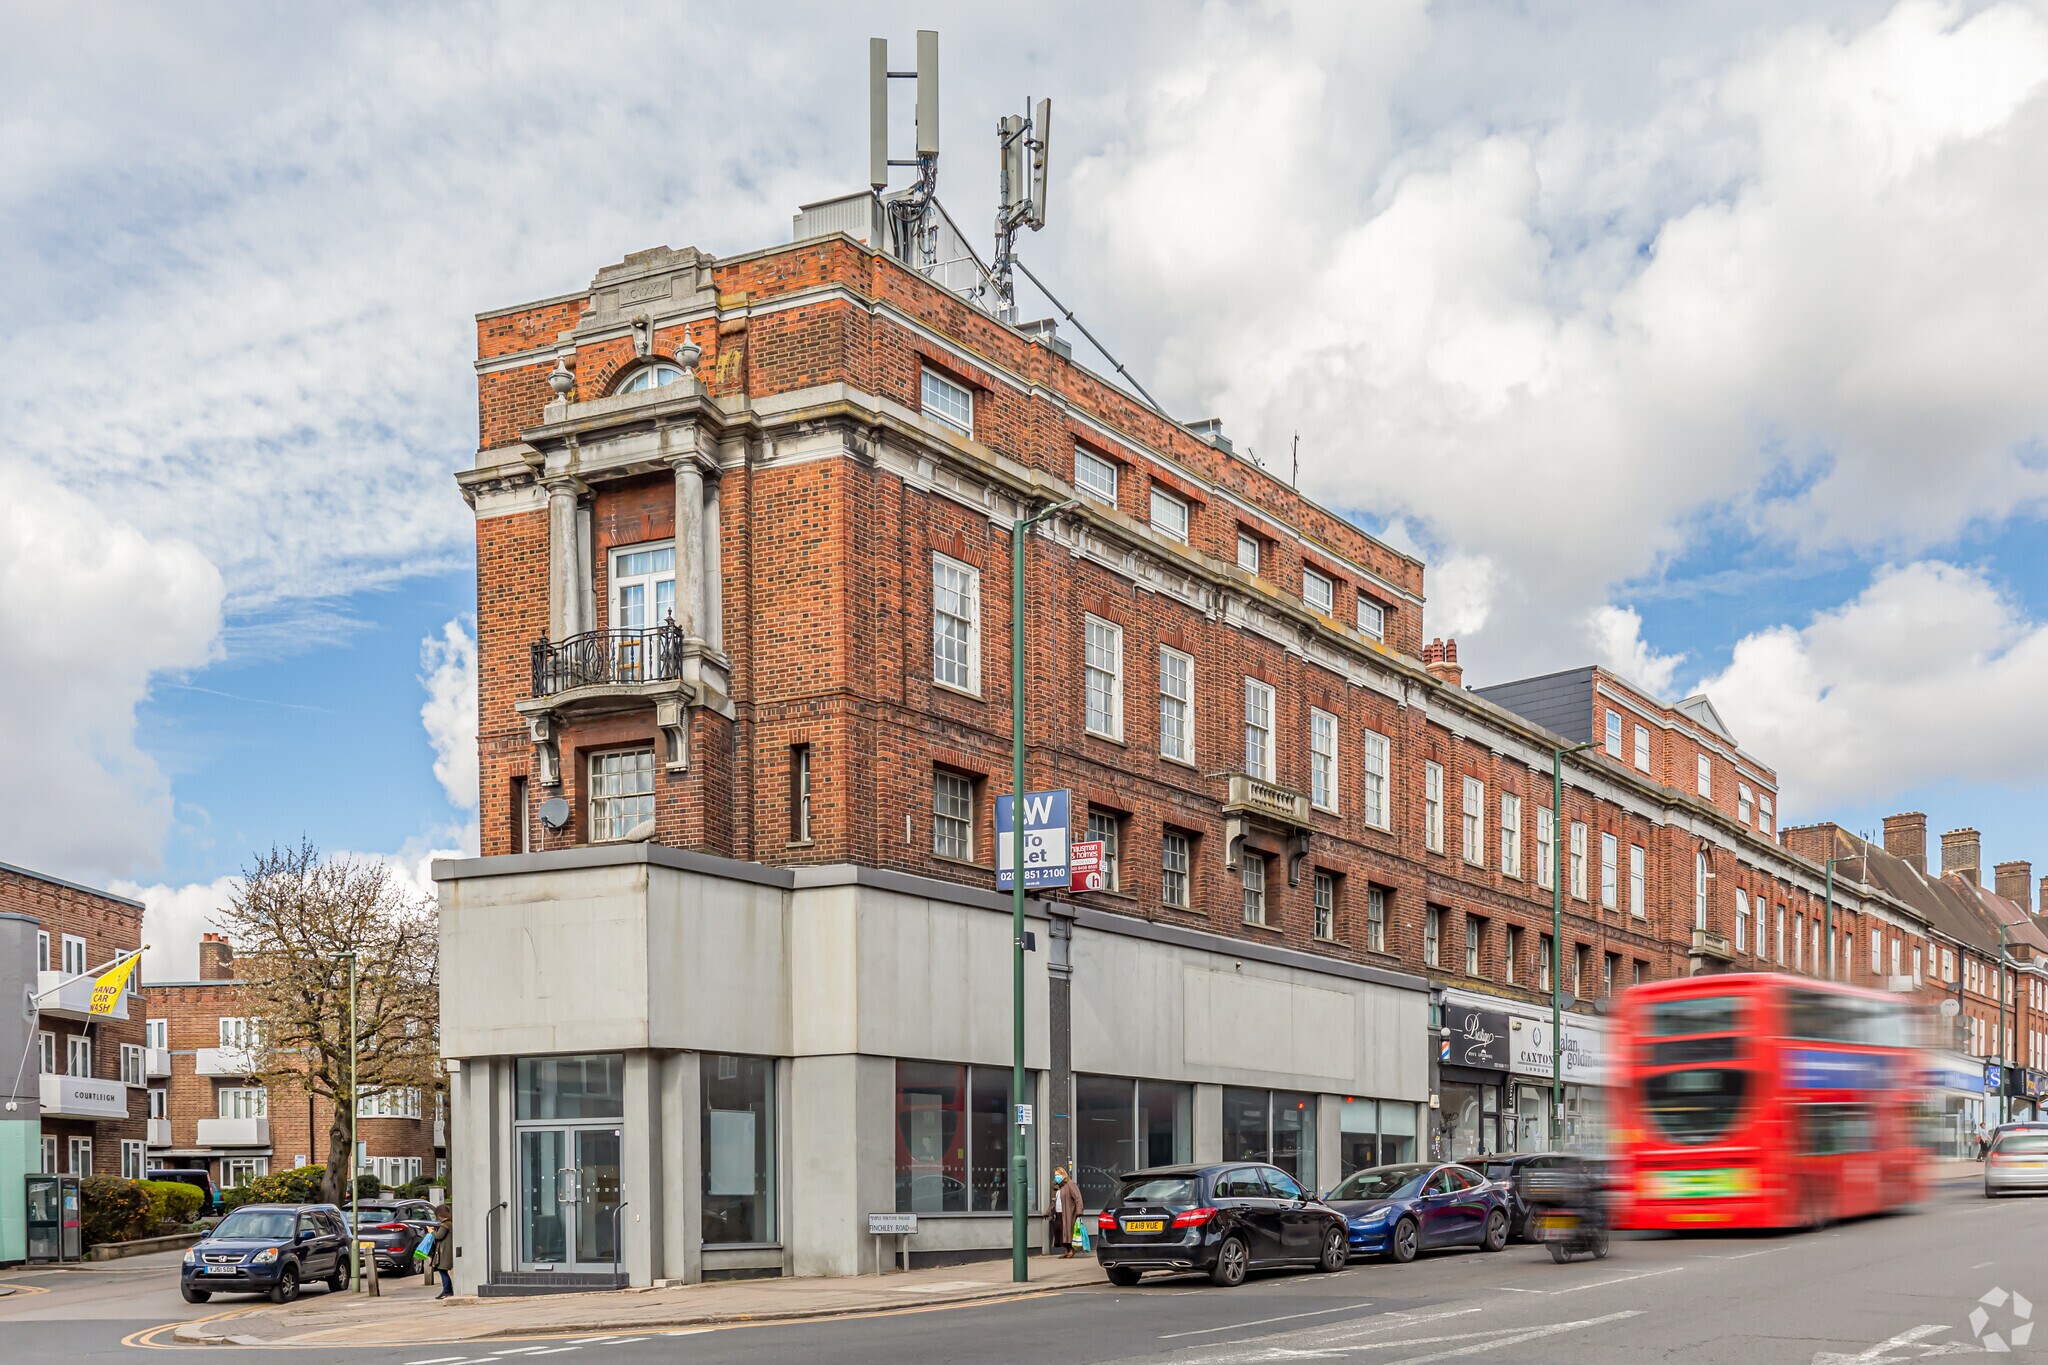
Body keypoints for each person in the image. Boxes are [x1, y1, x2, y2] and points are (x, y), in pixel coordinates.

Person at [1048, 1167, 1083, 1258]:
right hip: (1058, 1213)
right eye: (1055, 1175)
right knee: (1059, 1231)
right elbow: (1053, 1201)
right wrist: (1048, 1212)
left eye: (1058, 1175)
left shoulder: (1070, 1184)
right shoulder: (1056, 1187)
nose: (1056, 1177)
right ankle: (1066, 1250)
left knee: (1068, 1231)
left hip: (1068, 1213)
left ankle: (1072, 1249)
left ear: (1063, 1175)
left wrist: (1079, 1211)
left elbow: (1078, 1198)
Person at [427, 1203, 454, 1299]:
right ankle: (447, 1290)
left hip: (444, 1252)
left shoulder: (445, 1225)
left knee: (442, 1270)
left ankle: (447, 1291)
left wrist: (431, 1232)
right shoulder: (449, 1223)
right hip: (446, 1251)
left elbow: (438, 1236)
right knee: (443, 1271)